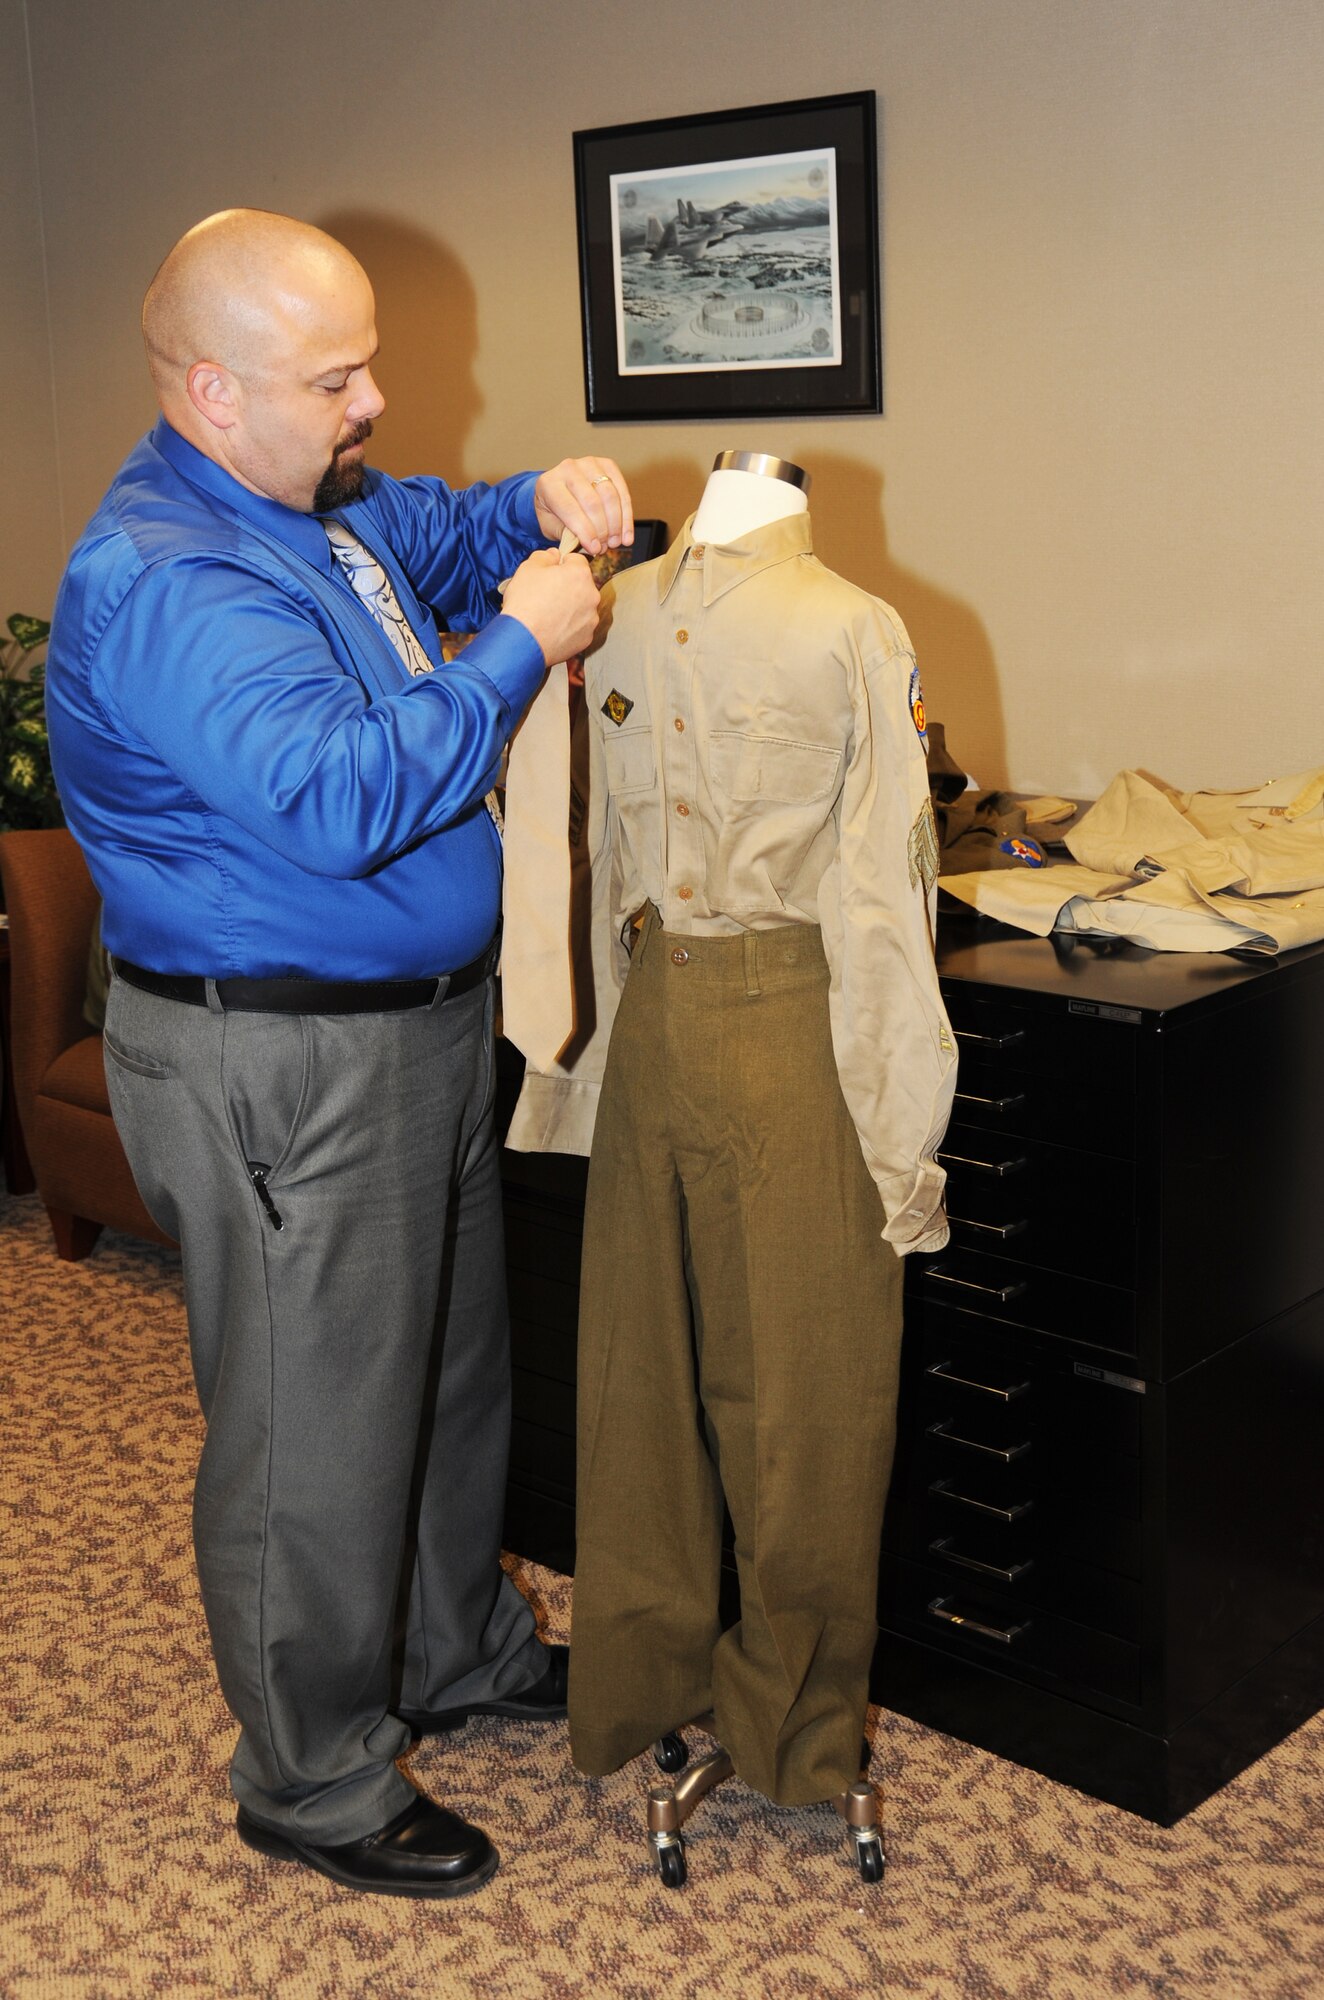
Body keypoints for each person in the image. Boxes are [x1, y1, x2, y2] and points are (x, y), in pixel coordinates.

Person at [45, 208, 632, 1901]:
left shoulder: (313, 500)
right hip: (277, 1068)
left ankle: (456, 1653)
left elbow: (434, 534)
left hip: (416, 1036)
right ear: (214, 391)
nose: (376, 397)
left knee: (446, 1382)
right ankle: (310, 1776)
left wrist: (537, 507)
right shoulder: (169, 578)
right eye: (338, 374)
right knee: (315, 1431)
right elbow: (342, 796)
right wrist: (528, 640)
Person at [510, 451, 954, 1842]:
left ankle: (800, 1724)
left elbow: (885, 895)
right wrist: (565, 1068)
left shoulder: (851, 626)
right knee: (634, 1387)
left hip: (790, 1028)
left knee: (806, 1405)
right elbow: (576, 847)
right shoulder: (607, 612)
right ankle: (640, 1681)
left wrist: (900, 1130)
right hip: (648, 1028)